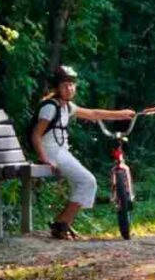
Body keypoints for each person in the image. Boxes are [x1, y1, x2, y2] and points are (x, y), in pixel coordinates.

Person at [31, 65, 135, 239]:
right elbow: (36, 135)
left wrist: (121, 114)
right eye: (65, 85)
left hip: (61, 152)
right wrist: (44, 159)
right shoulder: (50, 107)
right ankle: (61, 225)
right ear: (56, 87)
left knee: (84, 182)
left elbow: (93, 113)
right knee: (87, 181)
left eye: (72, 84)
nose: (69, 88)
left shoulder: (66, 106)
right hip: (52, 153)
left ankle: (62, 224)